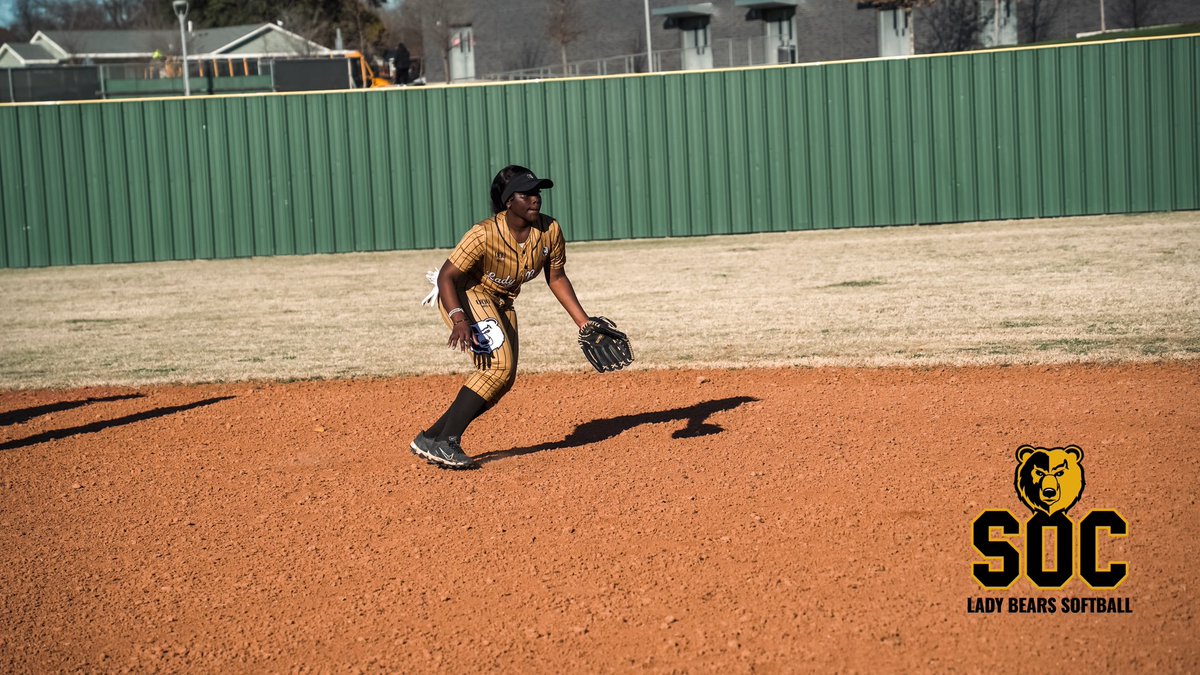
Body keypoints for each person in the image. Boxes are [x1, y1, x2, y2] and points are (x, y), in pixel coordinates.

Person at [411, 165, 593, 469]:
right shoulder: (484, 234)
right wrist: (459, 319)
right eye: (526, 193)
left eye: (537, 192)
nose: (535, 198)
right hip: (464, 294)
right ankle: (447, 442)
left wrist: (583, 322)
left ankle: (431, 438)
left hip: (501, 302)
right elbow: (446, 276)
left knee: (503, 380)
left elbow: (557, 277)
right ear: (509, 201)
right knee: (498, 367)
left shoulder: (549, 231)